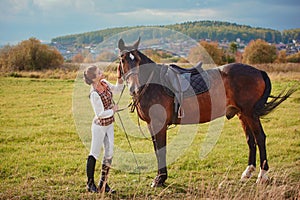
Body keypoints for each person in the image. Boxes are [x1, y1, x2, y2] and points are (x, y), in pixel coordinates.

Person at [83, 65, 123, 193]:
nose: (102, 73)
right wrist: (113, 110)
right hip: (99, 127)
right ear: (94, 78)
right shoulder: (94, 93)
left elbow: (117, 90)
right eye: (99, 72)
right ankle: (90, 184)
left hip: (109, 125)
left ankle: (103, 184)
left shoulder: (104, 83)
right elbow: (100, 113)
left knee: (109, 153)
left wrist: (120, 77)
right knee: (94, 153)